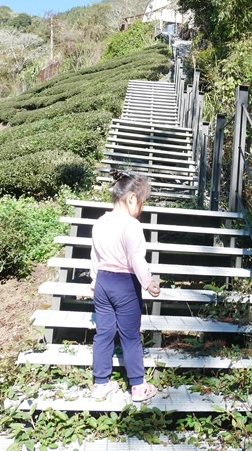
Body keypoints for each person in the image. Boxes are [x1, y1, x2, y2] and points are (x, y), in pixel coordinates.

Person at [90, 170, 161, 402]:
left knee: (104, 332)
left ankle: (101, 384)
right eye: (142, 203)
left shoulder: (100, 223)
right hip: (124, 284)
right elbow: (136, 259)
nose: (141, 209)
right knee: (130, 336)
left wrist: (93, 280)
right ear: (131, 198)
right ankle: (138, 386)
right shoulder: (131, 226)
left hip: (102, 281)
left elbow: (95, 255)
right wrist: (148, 282)